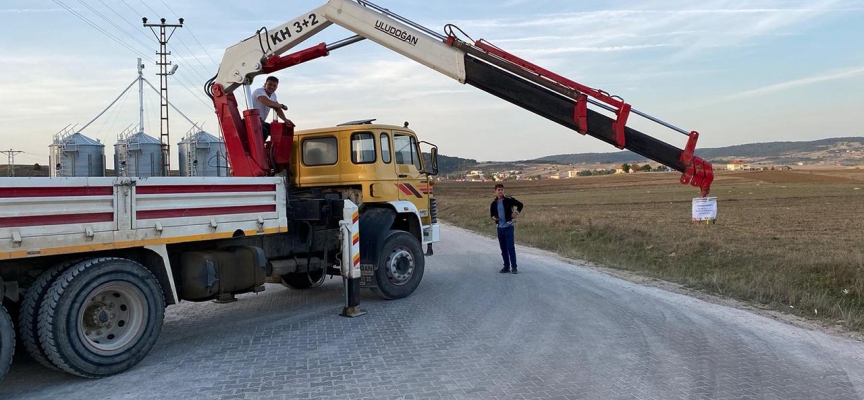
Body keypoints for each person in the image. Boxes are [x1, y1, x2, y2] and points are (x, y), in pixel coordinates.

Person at [490, 183, 524, 274]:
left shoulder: (509, 200)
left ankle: (514, 267)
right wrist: (494, 218)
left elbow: (520, 204)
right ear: (495, 191)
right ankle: (506, 267)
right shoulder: (493, 203)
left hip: (509, 226)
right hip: (499, 228)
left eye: (502, 189)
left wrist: (516, 213)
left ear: (503, 190)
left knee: (510, 247)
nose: (500, 191)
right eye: (498, 190)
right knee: (503, 248)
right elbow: (492, 215)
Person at [251, 76, 291, 140]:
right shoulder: (259, 91)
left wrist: (285, 119)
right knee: (264, 131)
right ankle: (258, 149)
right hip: (251, 121)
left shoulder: (273, 95)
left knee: (277, 130)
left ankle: (273, 148)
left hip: (261, 122)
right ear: (265, 84)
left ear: (276, 87)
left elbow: (277, 108)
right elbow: (269, 103)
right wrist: (282, 105)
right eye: (270, 84)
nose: (272, 87)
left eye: (274, 86)